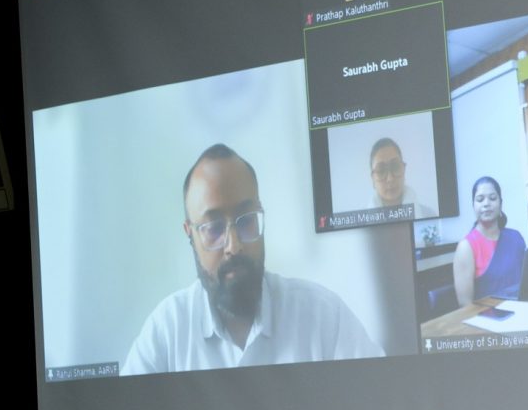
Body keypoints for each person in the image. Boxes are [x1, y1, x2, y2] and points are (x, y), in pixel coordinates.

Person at [122, 144, 383, 375]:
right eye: (214, 228)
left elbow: (380, 396)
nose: (233, 246)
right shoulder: (167, 331)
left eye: (246, 221)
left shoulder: (323, 315)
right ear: (190, 234)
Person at [452, 175, 526, 305]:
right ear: (473, 205)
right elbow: (465, 305)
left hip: (522, 309)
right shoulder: (466, 247)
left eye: (492, 198)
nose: (486, 204)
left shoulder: (515, 237)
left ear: (500, 203)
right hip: (487, 315)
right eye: (480, 199)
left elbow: (526, 282)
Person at [368, 137, 436, 217]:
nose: (390, 178)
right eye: (381, 170)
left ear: (404, 170)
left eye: (395, 166)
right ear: (373, 179)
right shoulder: (362, 221)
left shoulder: (429, 215)